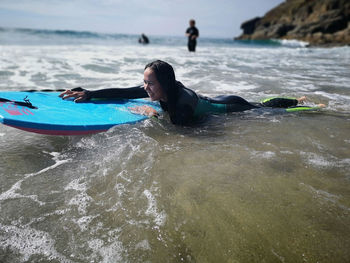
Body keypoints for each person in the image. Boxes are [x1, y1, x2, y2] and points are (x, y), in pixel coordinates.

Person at [59, 60, 323, 126]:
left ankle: (304, 105)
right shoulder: (163, 90)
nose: (145, 88)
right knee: (263, 103)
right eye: (145, 83)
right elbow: (125, 90)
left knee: (264, 109)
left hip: (232, 107)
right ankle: (295, 99)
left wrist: (153, 114)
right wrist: (91, 92)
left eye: (150, 84)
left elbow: (182, 131)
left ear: (163, 83)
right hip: (216, 100)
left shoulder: (182, 103)